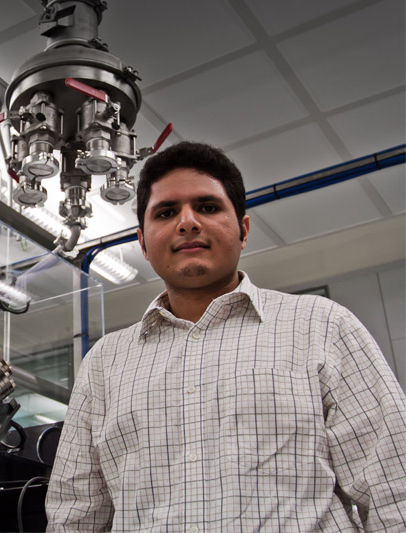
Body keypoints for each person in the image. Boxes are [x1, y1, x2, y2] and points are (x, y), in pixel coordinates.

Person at [45, 141, 406, 531]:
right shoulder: (104, 363)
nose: (187, 223)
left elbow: (394, 490)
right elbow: (74, 516)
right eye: (166, 212)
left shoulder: (321, 326)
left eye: (208, 207)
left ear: (243, 230)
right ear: (144, 243)